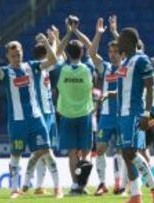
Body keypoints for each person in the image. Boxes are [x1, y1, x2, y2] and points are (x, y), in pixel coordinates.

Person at [0, 34, 63, 199]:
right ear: (7, 56)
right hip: (17, 121)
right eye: (13, 55)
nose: (16, 57)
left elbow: (53, 61)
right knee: (15, 154)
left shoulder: (32, 67)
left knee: (46, 151)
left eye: (19, 53)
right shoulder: (6, 72)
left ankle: (58, 187)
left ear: (22, 52)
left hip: (36, 118)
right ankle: (14, 189)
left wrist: (47, 44)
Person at [117, 27, 154, 203]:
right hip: (122, 113)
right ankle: (136, 195)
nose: (118, 42)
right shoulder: (125, 62)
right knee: (126, 154)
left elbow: (149, 88)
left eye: (120, 39)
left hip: (134, 112)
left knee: (131, 152)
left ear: (129, 42)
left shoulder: (142, 60)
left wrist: (146, 114)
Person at [54, 16, 95, 195]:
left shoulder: (61, 69)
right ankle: (82, 185)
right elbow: (92, 48)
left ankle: (75, 185)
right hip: (85, 114)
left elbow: (57, 52)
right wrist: (77, 31)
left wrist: (68, 32)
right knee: (85, 153)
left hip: (67, 115)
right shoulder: (88, 69)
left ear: (68, 54)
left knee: (72, 153)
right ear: (82, 53)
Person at [89, 17, 126, 196]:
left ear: (122, 53)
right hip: (106, 116)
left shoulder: (128, 66)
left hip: (123, 114)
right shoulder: (105, 68)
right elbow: (91, 53)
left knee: (121, 150)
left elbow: (134, 50)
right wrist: (98, 34)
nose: (112, 54)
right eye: (110, 51)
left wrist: (115, 32)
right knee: (101, 148)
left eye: (115, 51)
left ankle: (119, 183)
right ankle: (102, 183)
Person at [22, 29, 60, 195]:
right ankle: (47, 185)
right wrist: (49, 42)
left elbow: (57, 57)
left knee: (41, 151)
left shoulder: (44, 68)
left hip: (49, 112)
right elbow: (55, 58)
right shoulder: (35, 68)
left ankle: (36, 186)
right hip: (40, 114)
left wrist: (54, 40)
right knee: (43, 150)